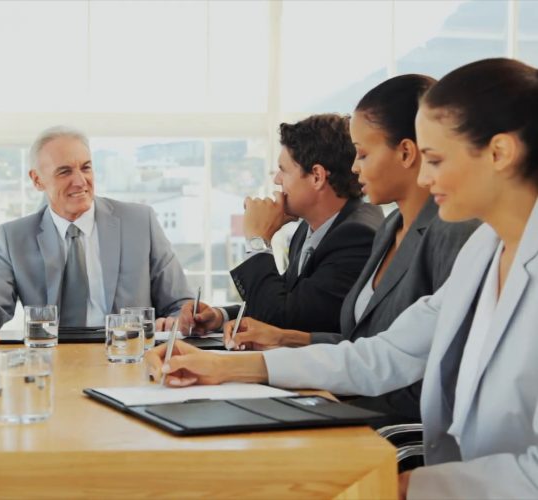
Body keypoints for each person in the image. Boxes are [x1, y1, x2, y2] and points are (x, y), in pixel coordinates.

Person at [146, 58, 538, 498]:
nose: (424, 177)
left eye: (434, 159)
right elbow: (381, 355)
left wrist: (408, 486)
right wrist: (221, 366)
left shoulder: (462, 242)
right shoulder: (485, 253)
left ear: (500, 153)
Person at [221, 75, 480, 422]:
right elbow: (367, 343)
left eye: (362, 154)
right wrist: (285, 338)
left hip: (389, 421)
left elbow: (417, 366)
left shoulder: (449, 233)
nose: (354, 167)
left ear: (406, 152)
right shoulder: (390, 227)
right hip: (355, 398)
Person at [0, 126, 192, 331]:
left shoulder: (139, 222)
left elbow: (180, 302)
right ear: (37, 180)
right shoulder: (15, 237)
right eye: (64, 172)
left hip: (128, 359)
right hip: (51, 362)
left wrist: (177, 320)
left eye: (86, 167)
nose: (80, 181)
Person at [169, 114, 384, 335]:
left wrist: (257, 240)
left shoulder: (356, 236)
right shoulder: (310, 228)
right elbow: (286, 301)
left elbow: (284, 320)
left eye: (284, 170)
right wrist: (219, 317)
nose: (277, 180)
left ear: (317, 177)